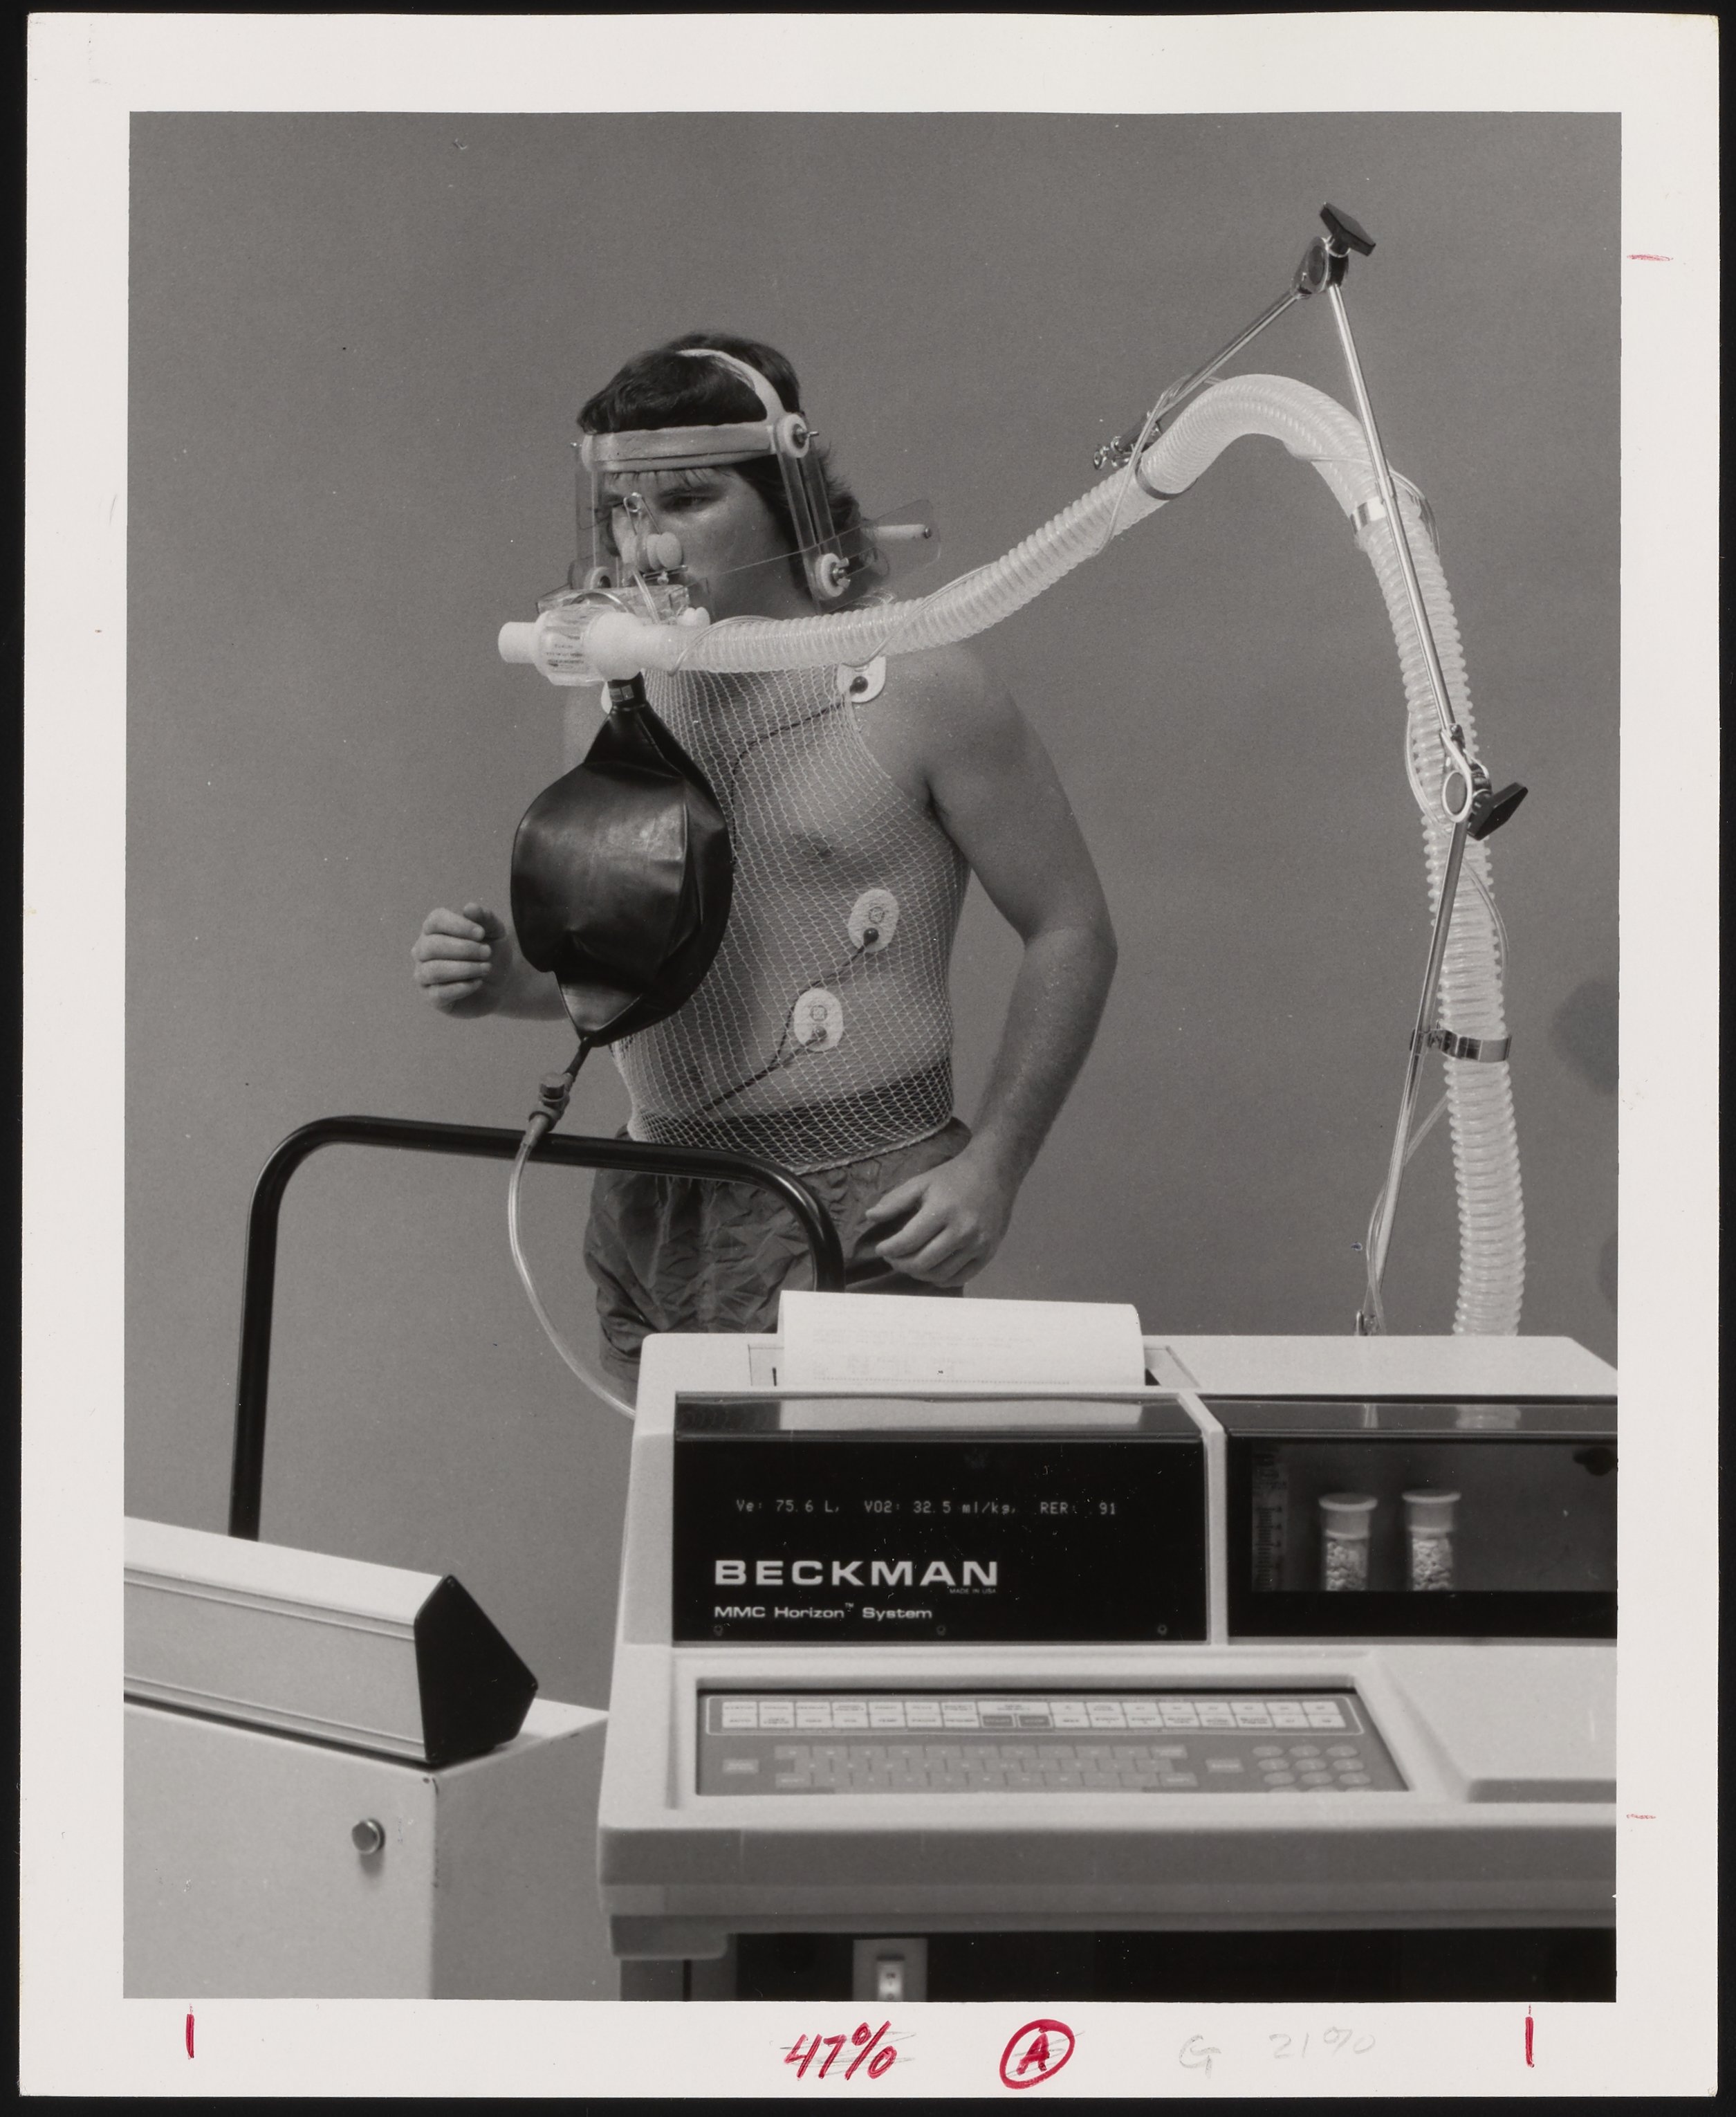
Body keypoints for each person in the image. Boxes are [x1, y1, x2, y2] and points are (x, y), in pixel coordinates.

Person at [413, 332, 1117, 1395]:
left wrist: (995, 1163)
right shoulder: (615, 694)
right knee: (682, 1496)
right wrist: (510, 980)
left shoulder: (915, 681)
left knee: (829, 1498)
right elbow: (651, 961)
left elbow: (1071, 929)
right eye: (624, 509)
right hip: (656, 1192)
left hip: (860, 1196)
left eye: (688, 500)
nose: (647, 543)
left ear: (789, 495)